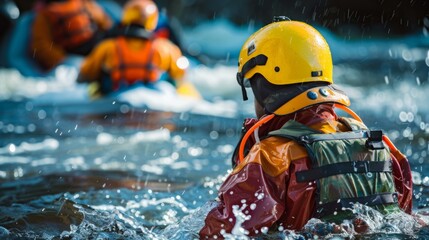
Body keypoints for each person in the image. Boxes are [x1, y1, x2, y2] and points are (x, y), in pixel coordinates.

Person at [199, 17, 413, 238]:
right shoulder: (382, 147)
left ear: (264, 87)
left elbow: (222, 233)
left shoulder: (271, 156)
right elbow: (404, 217)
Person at [77, 0, 192, 98]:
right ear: (153, 21)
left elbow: (84, 75)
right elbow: (180, 74)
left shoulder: (107, 47)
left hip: (114, 99)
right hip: (155, 99)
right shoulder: (166, 49)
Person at [31, 0, 113, 71]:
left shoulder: (82, 2)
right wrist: (65, 60)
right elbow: (41, 46)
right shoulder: (44, 15)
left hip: (96, 42)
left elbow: (103, 21)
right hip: (76, 53)